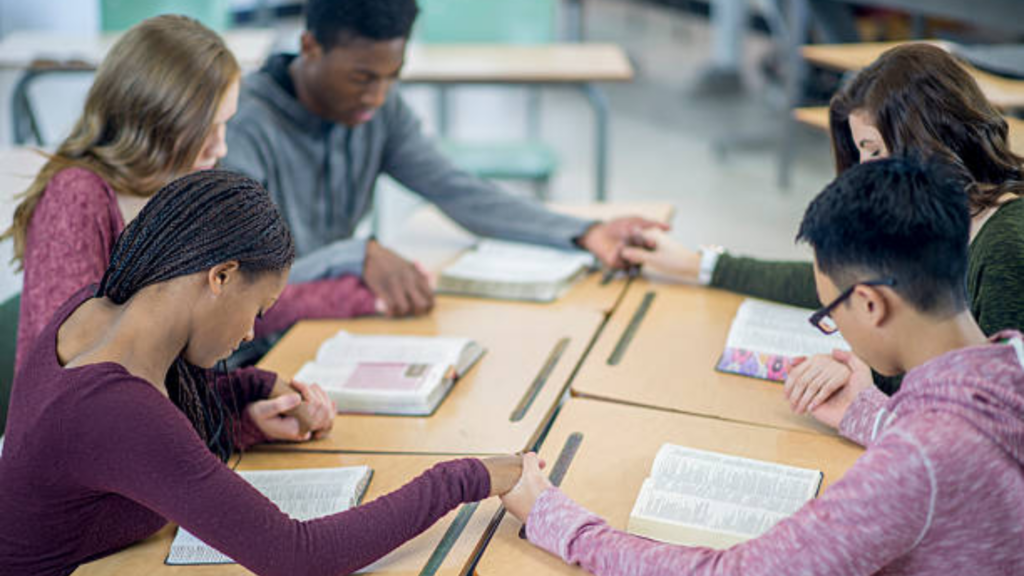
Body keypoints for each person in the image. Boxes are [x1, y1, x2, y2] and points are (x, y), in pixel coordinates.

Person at [501, 157, 1024, 575]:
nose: (835, 329)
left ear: (870, 304)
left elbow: (737, 571)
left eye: (829, 313)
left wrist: (558, 520)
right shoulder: (1012, 359)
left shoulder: (918, 461)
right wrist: (869, 413)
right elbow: (974, 453)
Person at [0, 170, 523, 575]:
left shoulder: (93, 308)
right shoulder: (117, 412)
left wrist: (249, 392)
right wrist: (468, 477)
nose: (251, 333)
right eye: (258, 308)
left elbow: (147, 437)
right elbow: (298, 556)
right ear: (221, 276)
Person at [622, 43, 1024, 401]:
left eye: (874, 149)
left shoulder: (1003, 242)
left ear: (933, 138)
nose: (864, 168)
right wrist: (702, 265)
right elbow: (839, 283)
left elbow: (988, 403)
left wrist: (862, 372)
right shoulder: (938, 218)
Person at [221, 0, 666, 318]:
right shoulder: (241, 128)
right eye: (361, 77)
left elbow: (459, 190)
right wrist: (353, 255)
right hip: (251, 342)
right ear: (310, 46)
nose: (376, 96)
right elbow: (237, 281)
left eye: (392, 77)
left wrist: (584, 232)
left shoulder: (377, 111)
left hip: (327, 320)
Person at [1, 15, 377, 376]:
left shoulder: (179, 196)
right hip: (97, 434)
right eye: (207, 128)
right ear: (153, 119)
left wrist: (249, 406)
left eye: (225, 125)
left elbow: (231, 310)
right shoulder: (76, 197)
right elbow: (76, 373)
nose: (220, 148)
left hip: (146, 419)